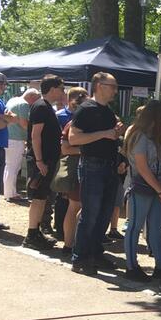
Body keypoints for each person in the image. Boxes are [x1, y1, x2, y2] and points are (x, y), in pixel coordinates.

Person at [69, 72, 125, 274]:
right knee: (90, 214)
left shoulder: (107, 111)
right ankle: (80, 258)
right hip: (92, 166)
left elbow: (108, 138)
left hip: (108, 166)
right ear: (100, 86)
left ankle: (94, 254)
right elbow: (74, 138)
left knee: (103, 214)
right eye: (113, 86)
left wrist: (115, 133)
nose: (115, 90)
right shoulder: (86, 109)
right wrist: (105, 134)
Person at [123, 100, 161, 282]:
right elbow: (142, 167)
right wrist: (160, 189)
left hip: (157, 185)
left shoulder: (155, 136)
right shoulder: (139, 136)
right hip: (142, 188)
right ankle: (131, 266)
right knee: (134, 227)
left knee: (157, 229)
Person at [23, 74, 65, 249]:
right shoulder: (41, 106)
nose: (63, 92)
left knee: (42, 198)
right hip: (42, 161)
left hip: (47, 160)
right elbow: (35, 135)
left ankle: (35, 232)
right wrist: (39, 161)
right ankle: (32, 235)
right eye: (61, 89)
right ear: (53, 89)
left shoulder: (46, 106)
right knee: (38, 198)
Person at [55, 87, 88, 255]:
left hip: (84, 170)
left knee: (75, 207)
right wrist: (88, 149)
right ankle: (70, 245)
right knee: (75, 206)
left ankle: (71, 244)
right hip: (77, 169)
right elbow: (65, 149)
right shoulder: (73, 123)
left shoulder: (78, 122)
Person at [0, 71, 19, 235]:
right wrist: (5, 119)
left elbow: (11, 118)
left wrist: (3, 118)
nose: (5, 87)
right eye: (3, 84)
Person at [3, 88, 40, 203]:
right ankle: (11, 194)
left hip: (7, 137)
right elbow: (24, 124)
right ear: (32, 97)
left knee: (9, 166)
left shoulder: (12, 100)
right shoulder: (23, 104)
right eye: (36, 100)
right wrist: (34, 132)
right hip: (16, 139)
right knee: (13, 167)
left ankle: (9, 192)